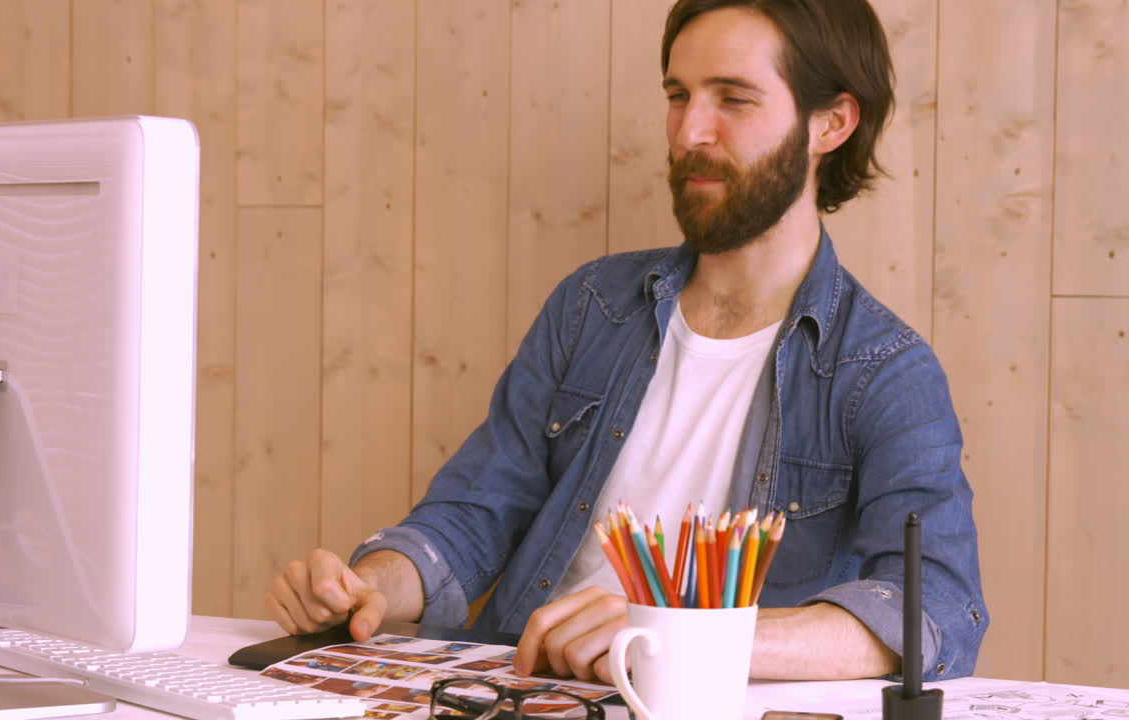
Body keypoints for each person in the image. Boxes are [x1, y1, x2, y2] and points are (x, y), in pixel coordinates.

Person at [267, 0, 989, 685]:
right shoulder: (591, 306)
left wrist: (678, 639)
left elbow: (935, 610)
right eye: (678, 95)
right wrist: (367, 587)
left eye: (733, 99)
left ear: (830, 123)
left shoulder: (882, 372)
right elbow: (474, 514)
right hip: (515, 690)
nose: (689, 132)